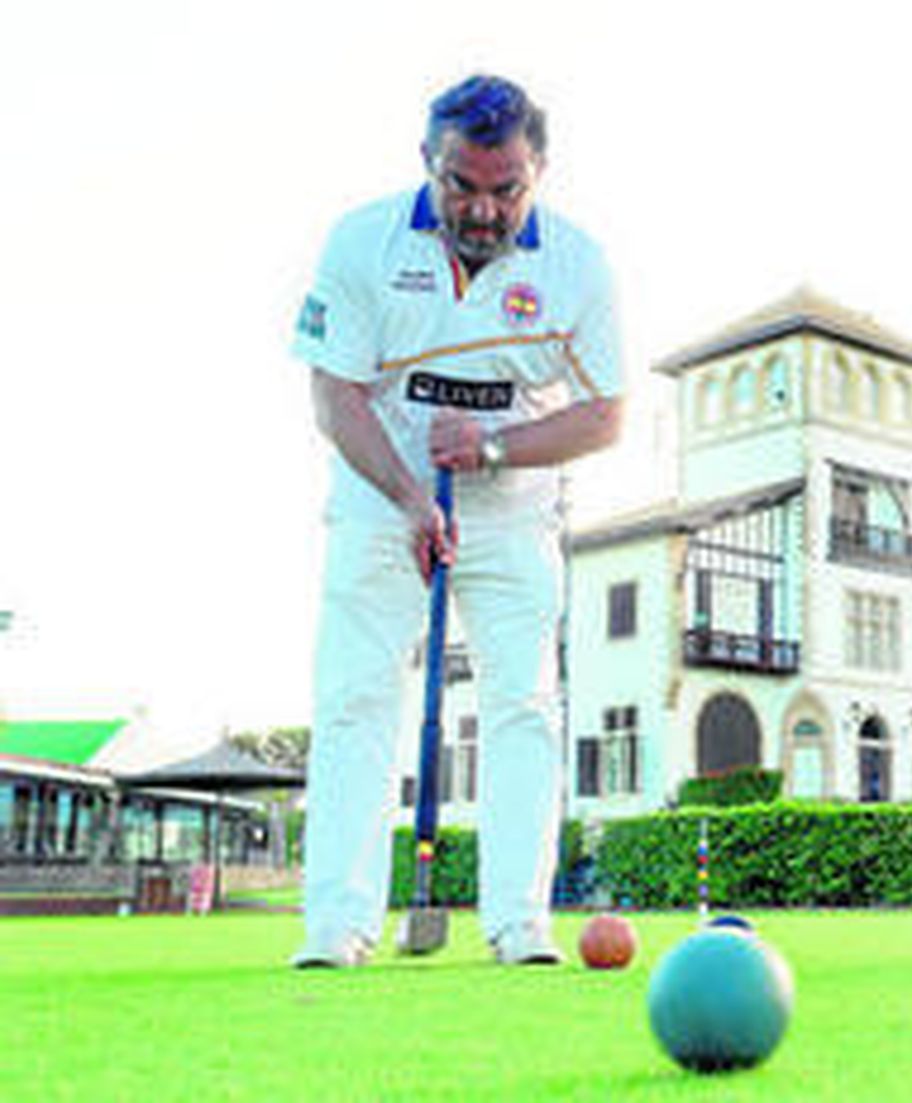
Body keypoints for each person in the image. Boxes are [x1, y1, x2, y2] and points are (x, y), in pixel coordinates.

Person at [290, 74, 624, 967]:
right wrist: (409, 497)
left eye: (506, 189)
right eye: (461, 185)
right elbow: (335, 394)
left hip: (513, 510)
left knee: (524, 703)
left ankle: (518, 919)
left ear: (538, 172)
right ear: (427, 164)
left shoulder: (580, 264)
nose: (482, 210)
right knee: (357, 695)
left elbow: (605, 415)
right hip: (380, 493)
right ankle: (338, 920)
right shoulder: (361, 242)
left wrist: (495, 447)